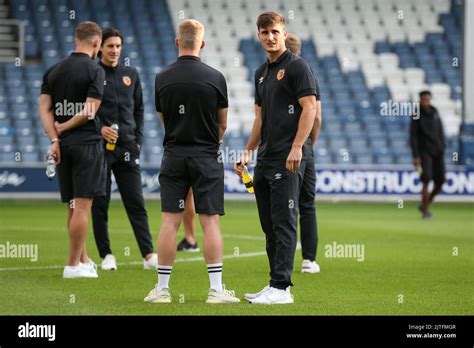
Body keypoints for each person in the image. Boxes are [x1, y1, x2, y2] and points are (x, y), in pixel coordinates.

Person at [144, 19, 240, 304]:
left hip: (173, 155)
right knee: (210, 223)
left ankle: (162, 289)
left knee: (169, 222)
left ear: (177, 42)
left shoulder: (162, 77)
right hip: (206, 156)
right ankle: (216, 290)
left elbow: (164, 120)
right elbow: (223, 124)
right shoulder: (216, 77)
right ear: (203, 43)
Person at [235, 12, 318, 304]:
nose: (270, 37)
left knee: (284, 222)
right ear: (258, 36)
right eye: (264, 32)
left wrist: (298, 146)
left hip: (288, 158)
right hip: (266, 158)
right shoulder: (261, 72)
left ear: (284, 33)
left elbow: (310, 108)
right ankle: (274, 283)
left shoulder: (297, 67)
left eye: (274, 32)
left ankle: (282, 289)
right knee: (269, 225)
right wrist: (247, 150)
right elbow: (259, 118)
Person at [39, 21, 106, 279]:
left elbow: (44, 109)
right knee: (82, 207)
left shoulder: (54, 70)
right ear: (97, 43)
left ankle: (83, 259)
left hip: (64, 148)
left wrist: (55, 138)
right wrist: (65, 127)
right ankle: (72, 266)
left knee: (72, 205)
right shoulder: (94, 70)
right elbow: (91, 110)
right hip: (87, 145)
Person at [90, 27, 157, 271]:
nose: (115, 50)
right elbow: (87, 110)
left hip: (128, 146)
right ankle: (106, 254)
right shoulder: (93, 73)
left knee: (136, 201)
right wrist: (100, 129)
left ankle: (148, 255)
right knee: (101, 201)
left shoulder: (131, 73)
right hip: (100, 148)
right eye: (110, 46)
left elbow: (139, 109)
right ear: (100, 48)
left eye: (118, 46)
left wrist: (138, 139)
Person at [285, 32, 322, 274]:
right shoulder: (308, 74)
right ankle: (308, 260)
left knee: (286, 205)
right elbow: (316, 116)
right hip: (303, 147)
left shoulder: (271, 74)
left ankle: (282, 260)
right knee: (307, 204)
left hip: (281, 146)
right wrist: (310, 143)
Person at [410, 90, 446, 219]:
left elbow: (440, 129)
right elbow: (413, 136)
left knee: (441, 180)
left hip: (438, 150)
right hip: (424, 151)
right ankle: (425, 212)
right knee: (426, 179)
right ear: (420, 100)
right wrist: (416, 155)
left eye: (427, 99)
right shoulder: (416, 114)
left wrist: (442, 145)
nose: (426, 101)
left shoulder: (435, 111)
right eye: (424, 99)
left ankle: (425, 203)